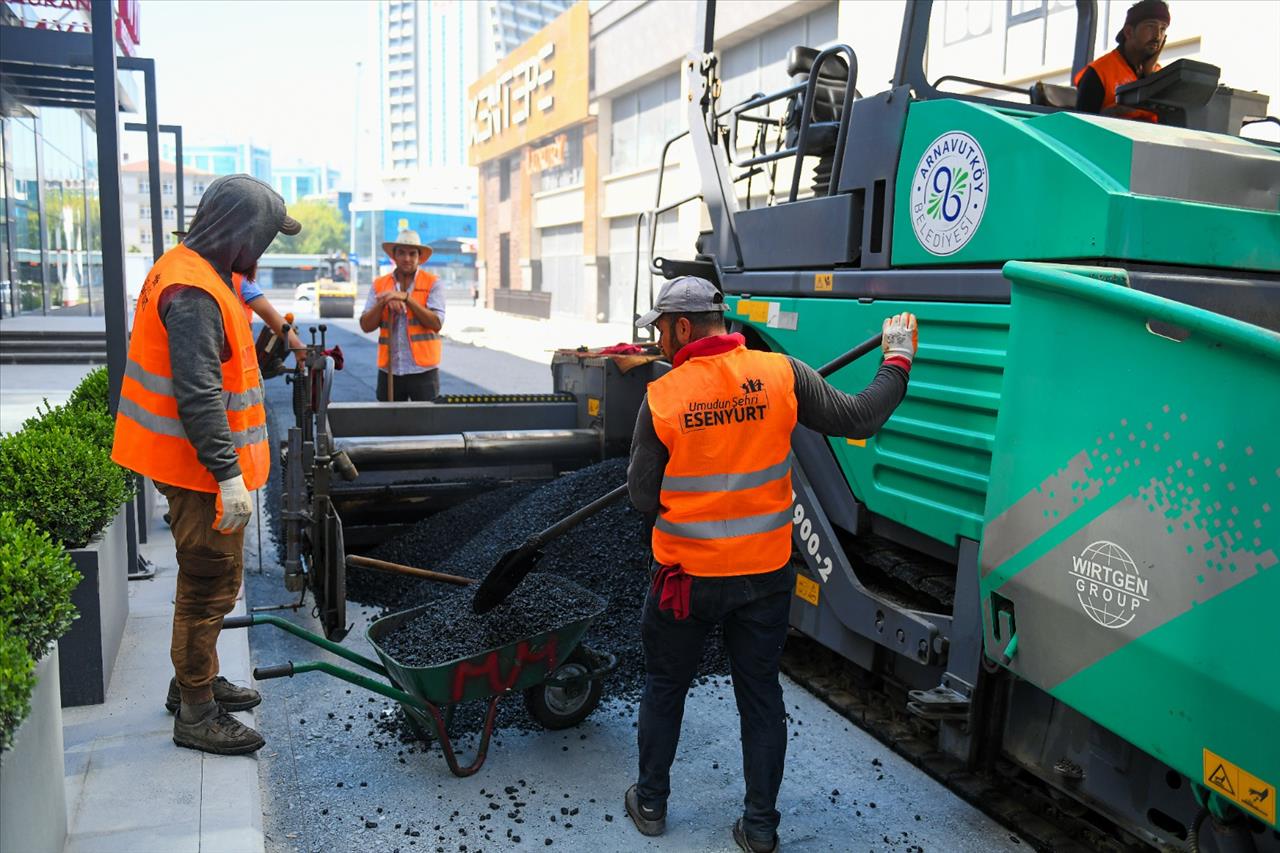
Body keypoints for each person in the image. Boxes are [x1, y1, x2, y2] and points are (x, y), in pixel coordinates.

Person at [623, 276, 917, 853]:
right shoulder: (781, 373)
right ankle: (759, 827)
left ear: (683, 327)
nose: (657, 340)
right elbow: (859, 417)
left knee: (665, 685)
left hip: (686, 581)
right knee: (759, 695)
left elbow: (640, 496)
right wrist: (897, 360)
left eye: (660, 328)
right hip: (763, 578)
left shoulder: (663, 396)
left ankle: (652, 802)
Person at [112, 174, 301, 755]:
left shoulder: (205, 275)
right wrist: (226, 474)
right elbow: (196, 395)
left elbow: (223, 373)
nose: (265, 248)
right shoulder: (193, 293)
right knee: (207, 585)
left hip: (201, 467)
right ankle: (196, 713)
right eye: (265, 235)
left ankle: (193, 679)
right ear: (241, 232)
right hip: (199, 472)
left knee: (216, 584)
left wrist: (267, 356)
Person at [172, 229, 305, 358]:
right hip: (232, 363)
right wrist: (297, 346)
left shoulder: (180, 275)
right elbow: (270, 315)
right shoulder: (238, 278)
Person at [357, 229, 446, 401]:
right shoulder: (380, 284)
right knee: (390, 425)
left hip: (423, 371)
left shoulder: (433, 283)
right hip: (389, 369)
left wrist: (406, 298)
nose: (407, 258)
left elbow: (436, 323)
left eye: (412, 254)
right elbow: (365, 326)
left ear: (419, 257)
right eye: (402, 253)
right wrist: (384, 301)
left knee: (425, 425)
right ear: (394, 256)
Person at [1074, 0, 1169, 121]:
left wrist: (1149, 75)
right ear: (1129, 32)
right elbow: (1081, 128)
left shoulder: (1161, 76)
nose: (1158, 36)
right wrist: (1109, 114)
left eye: (1163, 29)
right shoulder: (1098, 72)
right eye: (1150, 26)